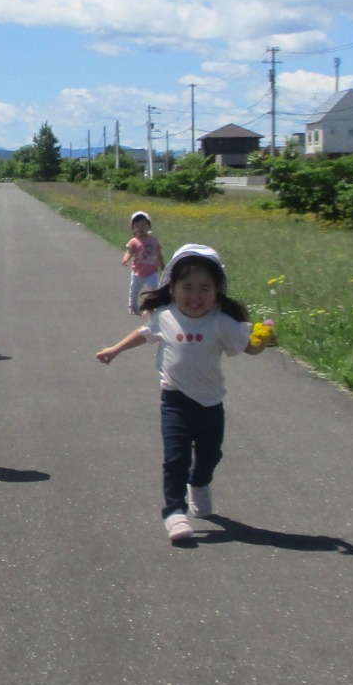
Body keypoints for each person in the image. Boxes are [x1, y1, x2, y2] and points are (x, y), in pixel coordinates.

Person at [95, 243, 269, 543]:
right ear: (172, 288)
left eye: (205, 288)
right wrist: (115, 350)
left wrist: (263, 337)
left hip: (211, 403)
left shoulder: (221, 321)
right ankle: (174, 512)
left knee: (209, 456)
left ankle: (199, 484)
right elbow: (144, 334)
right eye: (186, 287)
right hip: (174, 400)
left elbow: (248, 347)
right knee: (175, 458)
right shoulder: (164, 316)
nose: (195, 296)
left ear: (217, 292)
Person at [121, 210, 164, 314]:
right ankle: (133, 305)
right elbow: (129, 252)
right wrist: (126, 258)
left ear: (149, 227)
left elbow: (158, 252)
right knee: (134, 290)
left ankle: (154, 307)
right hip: (138, 272)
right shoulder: (134, 241)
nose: (141, 228)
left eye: (144, 225)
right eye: (137, 226)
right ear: (133, 229)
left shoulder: (154, 240)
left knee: (154, 290)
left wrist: (162, 263)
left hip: (152, 271)